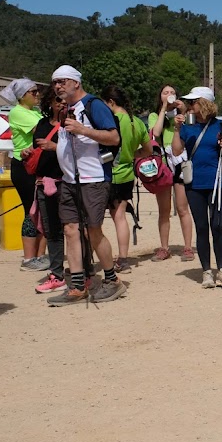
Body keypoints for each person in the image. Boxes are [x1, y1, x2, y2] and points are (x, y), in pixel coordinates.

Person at [45, 65, 125, 306]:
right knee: (70, 230)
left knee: (93, 230)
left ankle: (112, 280)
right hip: (70, 181)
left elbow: (114, 137)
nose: (57, 86)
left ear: (76, 83)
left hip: (93, 179)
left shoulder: (94, 105)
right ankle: (77, 286)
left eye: (62, 81)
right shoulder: (66, 109)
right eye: (55, 82)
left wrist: (83, 130)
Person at [171, 87, 222, 289]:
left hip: (218, 181)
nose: (190, 106)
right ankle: (207, 271)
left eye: (193, 102)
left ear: (204, 103)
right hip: (194, 182)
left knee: (217, 225)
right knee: (201, 227)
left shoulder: (220, 125)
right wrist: (176, 129)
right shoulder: (187, 126)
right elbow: (176, 150)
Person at [102, 85, 151, 273]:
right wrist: (132, 154)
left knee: (95, 221)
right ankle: (123, 259)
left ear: (111, 102)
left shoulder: (109, 121)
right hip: (127, 174)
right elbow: (147, 150)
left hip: (106, 174)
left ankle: (90, 260)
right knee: (120, 217)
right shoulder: (136, 122)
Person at [2, 77, 46, 270]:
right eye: (33, 92)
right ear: (22, 96)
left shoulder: (34, 111)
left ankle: (39, 255)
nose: (37, 95)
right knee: (31, 211)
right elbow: (40, 131)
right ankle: (29, 258)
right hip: (24, 165)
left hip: (36, 166)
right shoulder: (17, 112)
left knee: (42, 211)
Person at [148, 85, 194, 262]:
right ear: (159, 96)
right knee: (164, 210)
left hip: (181, 162)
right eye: (165, 92)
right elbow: (156, 132)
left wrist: (182, 110)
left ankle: (188, 247)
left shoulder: (182, 114)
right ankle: (164, 247)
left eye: (172, 92)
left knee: (183, 208)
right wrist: (163, 110)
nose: (169, 95)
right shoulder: (154, 115)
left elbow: (191, 129)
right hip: (163, 165)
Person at [32, 89, 67, 294]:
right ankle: (56, 274)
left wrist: (55, 147)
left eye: (64, 101)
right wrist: (29, 152)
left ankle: (85, 272)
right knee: (52, 230)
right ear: (50, 103)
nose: (62, 104)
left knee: (76, 229)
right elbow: (34, 148)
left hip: (67, 182)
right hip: (44, 182)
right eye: (58, 101)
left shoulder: (73, 125)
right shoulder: (42, 125)